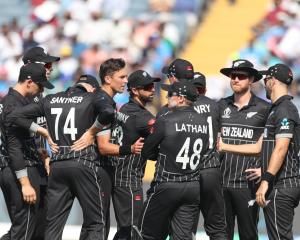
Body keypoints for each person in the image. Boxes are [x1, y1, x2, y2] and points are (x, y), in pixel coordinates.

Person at [7, 73, 115, 240]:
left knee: (53, 224)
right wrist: (92, 132)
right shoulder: (92, 98)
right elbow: (108, 111)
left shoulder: (51, 99)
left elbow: (13, 116)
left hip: (56, 166)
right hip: (83, 162)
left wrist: (42, 131)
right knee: (96, 222)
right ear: (92, 88)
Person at [220, 64, 300, 239]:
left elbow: (281, 148)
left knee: (279, 237)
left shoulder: (283, 109)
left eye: (266, 79)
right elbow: (259, 147)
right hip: (273, 183)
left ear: (272, 81)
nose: (264, 83)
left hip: (281, 184)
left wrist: (265, 179)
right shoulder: (276, 109)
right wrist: (224, 146)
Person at [72, 58, 144, 239]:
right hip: (96, 168)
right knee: (99, 223)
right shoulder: (103, 101)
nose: (126, 81)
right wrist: (130, 149)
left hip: (89, 166)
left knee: (95, 222)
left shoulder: (103, 100)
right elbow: (103, 147)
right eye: (122, 76)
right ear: (108, 79)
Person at [139, 80, 207, 240]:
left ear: (181, 98)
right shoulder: (203, 122)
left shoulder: (166, 119)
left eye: (170, 94)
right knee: (182, 236)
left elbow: (147, 151)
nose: (167, 97)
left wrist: (163, 153)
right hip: (192, 186)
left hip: (166, 184)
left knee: (146, 232)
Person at [0, 63, 54, 240]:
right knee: (24, 229)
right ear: (29, 82)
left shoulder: (13, 101)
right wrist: (25, 184)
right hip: (19, 169)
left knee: (26, 227)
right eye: (40, 85)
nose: (40, 91)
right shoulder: (12, 103)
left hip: (14, 167)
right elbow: (14, 147)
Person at [218, 59, 270, 240]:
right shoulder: (220, 106)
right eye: (233, 76)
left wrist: (265, 169)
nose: (236, 79)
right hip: (221, 183)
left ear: (251, 80)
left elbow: (278, 144)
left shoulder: (265, 109)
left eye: (241, 76)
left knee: (248, 236)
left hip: (247, 186)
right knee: (221, 236)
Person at [110, 70, 160, 239]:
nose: (152, 89)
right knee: (131, 230)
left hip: (119, 172)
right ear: (135, 90)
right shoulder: (143, 117)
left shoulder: (125, 107)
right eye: (147, 87)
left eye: (152, 85)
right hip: (129, 178)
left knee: (126, 228)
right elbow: (165, 133)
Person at [191, 72, 228, 239]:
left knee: (185, 224)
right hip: (211, 167)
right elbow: (221, 139)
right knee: (217, 226)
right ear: (204, 89)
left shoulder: (183, 105)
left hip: (188, 170)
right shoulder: (216, 106)